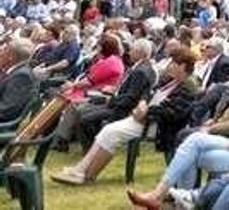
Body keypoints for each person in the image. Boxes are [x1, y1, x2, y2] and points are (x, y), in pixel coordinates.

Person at [125, 58, 229, 209]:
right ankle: (174, 198)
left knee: (191, 147)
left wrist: (218, 128)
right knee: (193, 142)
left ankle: (174, 198)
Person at [51, 47, 200, 186]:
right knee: (108, 130)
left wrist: (147, 111)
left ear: (183, 66)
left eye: (174, 63)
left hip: (158, 126)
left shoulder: (188, 86)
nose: (170, 66)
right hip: (142, 117)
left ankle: (87, 174)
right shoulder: (169, 80)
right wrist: (143, 103)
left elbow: (174, 113)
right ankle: (82, 170)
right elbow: (148, 92)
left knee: (110, 131)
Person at [0, 38, 36, 122]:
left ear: (11, 56)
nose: (0, 52)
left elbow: (6, 109)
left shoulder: (22, 76)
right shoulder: (14, 69)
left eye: (4, 50)